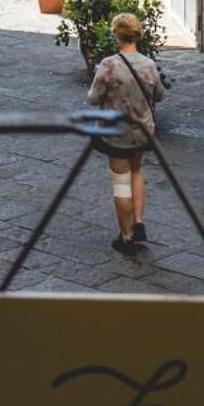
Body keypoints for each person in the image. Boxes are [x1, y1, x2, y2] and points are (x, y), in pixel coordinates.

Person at [87, 13, 164, 257]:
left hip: (116, 133)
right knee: (137, 170)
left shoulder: (109, 65)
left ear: (116, 35)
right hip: (142, 130)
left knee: (120, 181)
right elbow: (159, 95)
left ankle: (127, 236)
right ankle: (138, 221)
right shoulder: (149, 64)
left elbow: (93, 98)